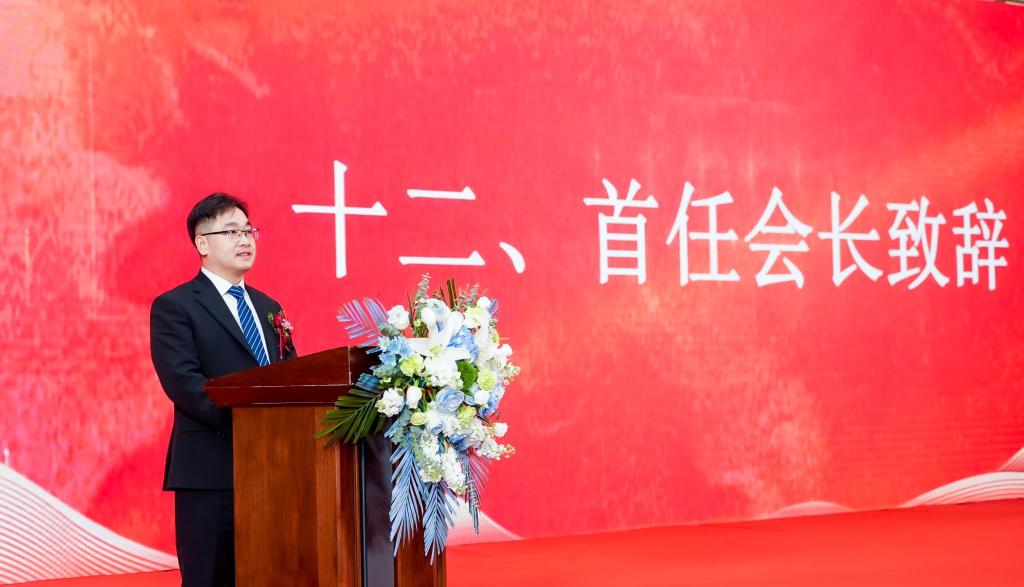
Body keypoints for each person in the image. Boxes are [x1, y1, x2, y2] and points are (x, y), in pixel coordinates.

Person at [150, 193, 296, 586]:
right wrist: (252, 428)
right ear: (202, 243)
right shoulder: (175, 306)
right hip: (211, 472)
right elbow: (184, 383)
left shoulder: (269, 307)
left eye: (249, 231)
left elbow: (291, 376)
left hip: (274, 469)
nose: (245, 239)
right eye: (231, 232)